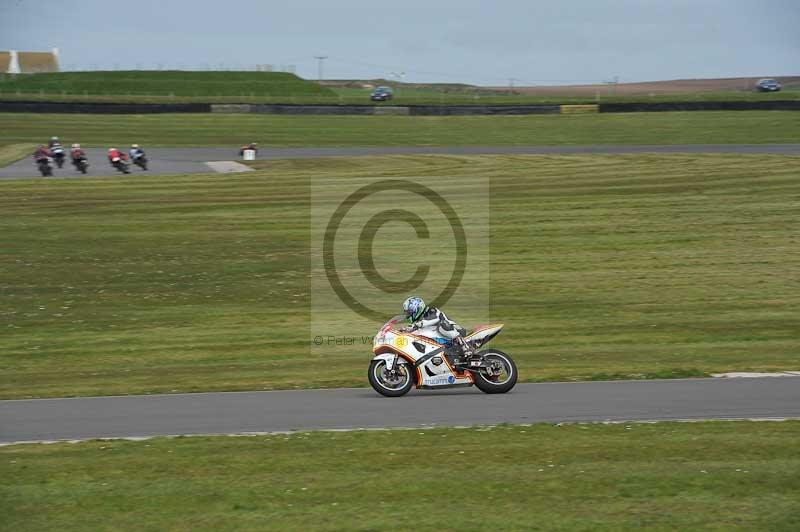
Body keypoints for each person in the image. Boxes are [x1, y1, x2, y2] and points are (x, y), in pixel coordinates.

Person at [401, 296, 472, 358]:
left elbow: (433, 319)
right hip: (443, 340)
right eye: (407, 312)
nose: (408, 315)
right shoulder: (419, 321)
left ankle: (465, 346)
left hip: (455, 331)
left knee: (442, 325)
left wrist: (415, 326)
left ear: (417, 309)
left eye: (409, 312)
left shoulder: (432, 311)